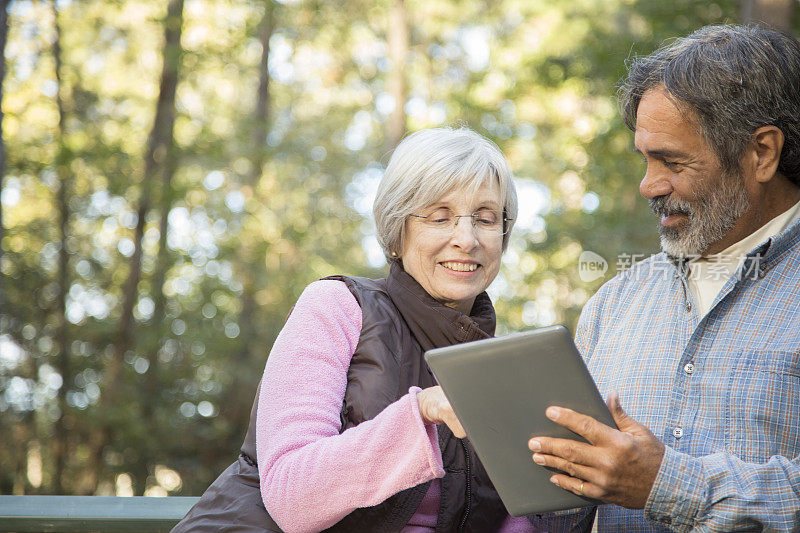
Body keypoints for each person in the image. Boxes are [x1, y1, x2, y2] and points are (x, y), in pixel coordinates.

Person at [173, 127, 536, 532]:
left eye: (485, 219)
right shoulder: (338, 307)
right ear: (399, 232)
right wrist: (421, 412)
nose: (466, 240)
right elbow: (292, 497)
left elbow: (510, 519)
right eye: (440, 217)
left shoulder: (505, 366)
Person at [522, 25, 800, 531]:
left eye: (672, 161)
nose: (649, 185)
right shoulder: (613, 303)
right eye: (644, 159)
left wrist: (667, 485)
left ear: (762, 153)